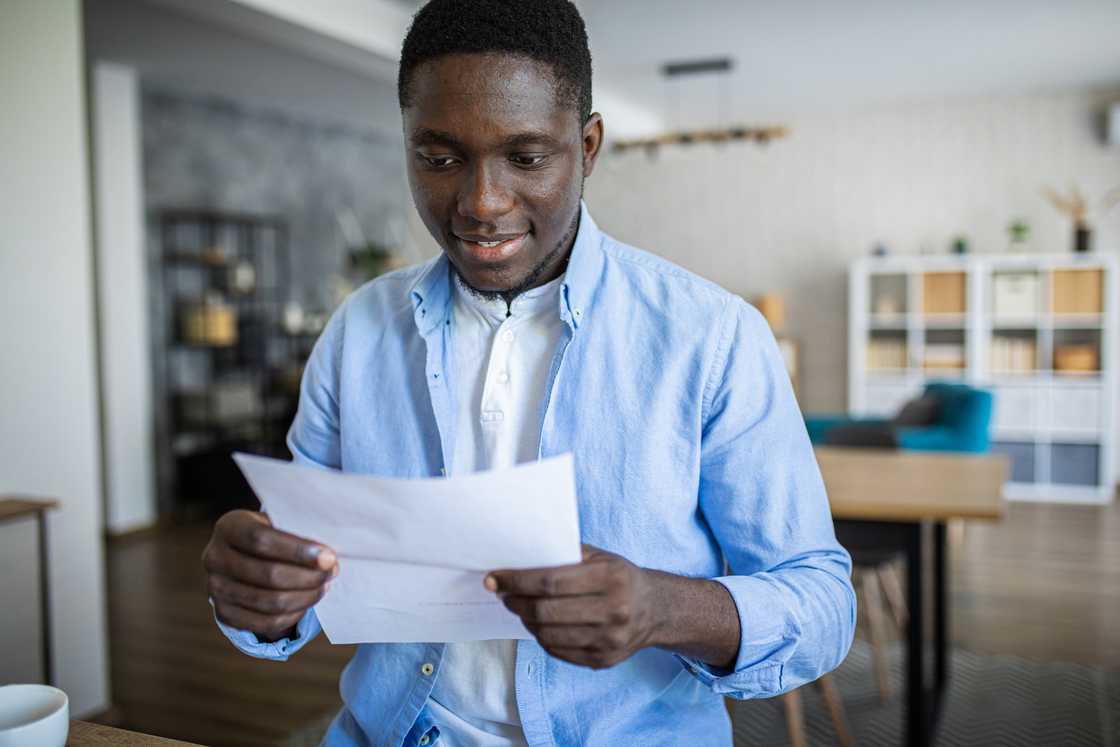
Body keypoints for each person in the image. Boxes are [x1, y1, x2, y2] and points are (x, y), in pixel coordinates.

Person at [201, 1, 855, 744]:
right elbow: (303, 577)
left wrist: (662, 609)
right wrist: (259, 589)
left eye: (527, 157)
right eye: (439, 158)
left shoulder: (712, 337)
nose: (482, 203)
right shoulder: (358, 331)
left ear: (588, 145)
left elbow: (822, 603)